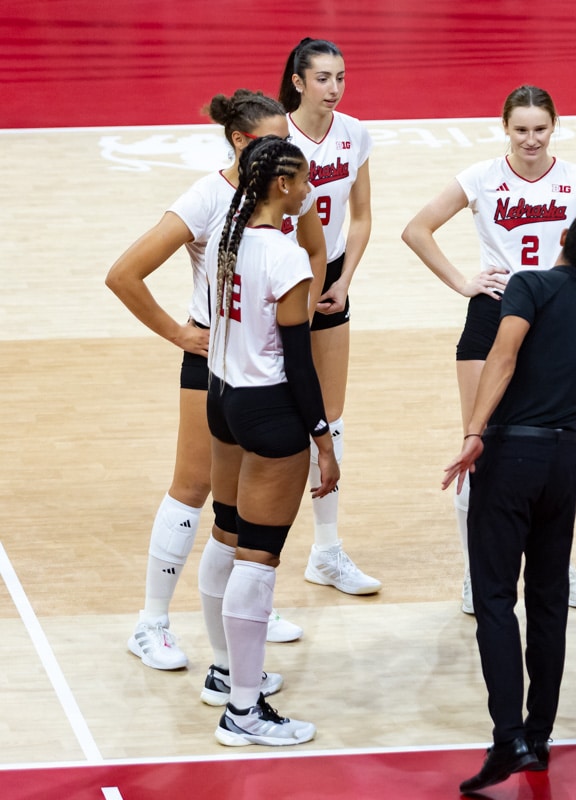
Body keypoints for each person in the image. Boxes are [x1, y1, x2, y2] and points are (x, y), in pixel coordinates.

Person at [404, 84, 576, 616]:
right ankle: (476, 572)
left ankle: (555, 566)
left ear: (553, 126)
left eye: (540, 129)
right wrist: (462, 282)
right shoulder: (481, 177)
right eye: (521, 130)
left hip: (553, 317)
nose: (531, 139)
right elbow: (416, 229)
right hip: (495, 313)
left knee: (550, 442)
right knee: (479, 440)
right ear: (505, 128)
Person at [106, 89, 321, 671]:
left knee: (248, 507)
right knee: (193, 486)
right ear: (238, 141)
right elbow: (123, 274)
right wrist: (178, 333)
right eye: (271, 140)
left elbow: (314, 251)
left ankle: (243, 605)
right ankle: (151, 622)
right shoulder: (206, 196)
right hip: (215, 357)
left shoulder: (285, 190)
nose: (284, 149)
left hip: (264, 359)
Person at [442, 210, 576, 794]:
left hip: (511, 454)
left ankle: (509, 738)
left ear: (564, 239)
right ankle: (540, 738)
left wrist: (474, 430)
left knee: (495, 597)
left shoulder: (529, 284)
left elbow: (502, 356)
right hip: (563, 461)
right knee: (549, 600)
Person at [205, 134, 338, 746]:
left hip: (223, 398)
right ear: (281, 186)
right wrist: (323, 438)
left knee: (228, 534)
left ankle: (226, 672)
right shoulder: (285, 257)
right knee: (259, 557)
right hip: (269, 409)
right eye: (305, 182)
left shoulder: (225, 240)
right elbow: (299, 359)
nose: (310, 191)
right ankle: (243, 710)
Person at [279, 37, 380, 596]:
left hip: (331, 279)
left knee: (330, 414)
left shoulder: (355, 133)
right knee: (273, 410)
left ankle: (326, 550)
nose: (334, 88)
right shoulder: (277, 135)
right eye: (322, 78)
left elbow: (362, 216)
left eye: (340, 76)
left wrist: (343, 280)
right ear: (298, 81)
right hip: (282, 280)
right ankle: (255, 544)